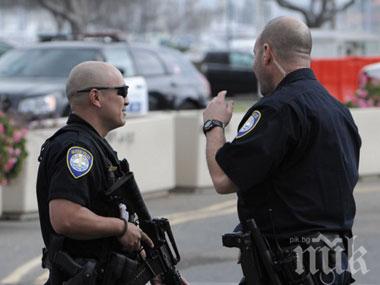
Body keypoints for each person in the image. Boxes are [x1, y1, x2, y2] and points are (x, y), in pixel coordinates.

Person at [203, 17, 361, 285]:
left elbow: (223, 179)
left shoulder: (278, 110)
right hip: (334, 267)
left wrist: (213, 124)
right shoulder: (339, 112)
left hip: (288, 271)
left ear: (267, 53)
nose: (254, 66)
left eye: (254, 55)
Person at [36, 61, 184, 285]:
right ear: (95, 97)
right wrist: (121, 228)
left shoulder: (96, 146)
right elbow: (65, 217)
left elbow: (114, 211)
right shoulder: (77, 150)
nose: (127, 100)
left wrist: (153, 268)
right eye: (121, 92)